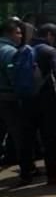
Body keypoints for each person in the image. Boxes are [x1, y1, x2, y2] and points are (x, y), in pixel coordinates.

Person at [19, 24, 56, 186]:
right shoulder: (49, 51)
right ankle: (52, 175)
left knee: (27, 138)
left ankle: (25, 174)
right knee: (49, 139)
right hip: (47, 102)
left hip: (26, 100)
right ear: (49, 35)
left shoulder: (22, 50)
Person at [0, 19, 25, 179]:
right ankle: (26, 169)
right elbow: (14, 76)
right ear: (9, 34)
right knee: (19, 134)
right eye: (18, 33)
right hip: (9, 98)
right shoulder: (10, 52)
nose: (21, 36)